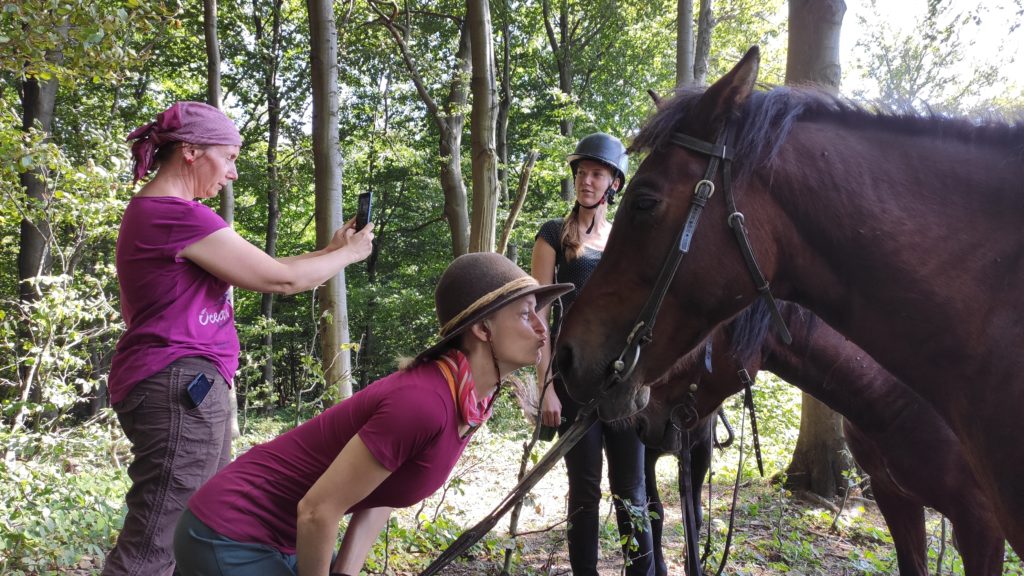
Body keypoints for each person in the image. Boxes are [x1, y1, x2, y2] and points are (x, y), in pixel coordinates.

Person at [172, 252, 573, 576]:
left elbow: (384, 490)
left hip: (282, 537)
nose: (542, 329)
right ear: (483, 329)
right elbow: (317, 511)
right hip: (228, 532)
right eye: (525, 314)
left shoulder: (467, 400)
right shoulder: (424, 402)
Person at [103, 101, 375, 576]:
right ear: (190, 151)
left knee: (190, 527)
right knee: (156, 541)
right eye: (227, 157)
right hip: (180, 387)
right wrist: (348, 256)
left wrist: (332, 250)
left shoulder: (167, 215)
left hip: (181, 387)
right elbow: (280, 281)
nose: (231, 173)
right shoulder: (175, 214)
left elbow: (276, 269)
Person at [532, 133, 658, 576]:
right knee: (584, 492)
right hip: (572, 384)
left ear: (614, 183)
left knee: (633, 490)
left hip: (624, 382)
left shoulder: (629, 239)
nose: (586, 181)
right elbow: (539, 318)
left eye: (597, 174)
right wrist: (546, 385)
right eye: (582, 173)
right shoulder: (553, 235)